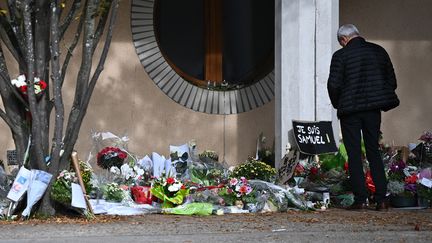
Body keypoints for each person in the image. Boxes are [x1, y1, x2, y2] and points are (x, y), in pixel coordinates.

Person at [327, 24, 399, 211]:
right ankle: (381, 199)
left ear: (343, 40)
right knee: (373, 151)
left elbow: (333, 85)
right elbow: (391, 80)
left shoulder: (340, 56)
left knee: (354, 154)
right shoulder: (378, 51)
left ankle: (360, 199)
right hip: (372, 110)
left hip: (350, 111)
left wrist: (339, 103)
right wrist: (380, 96)